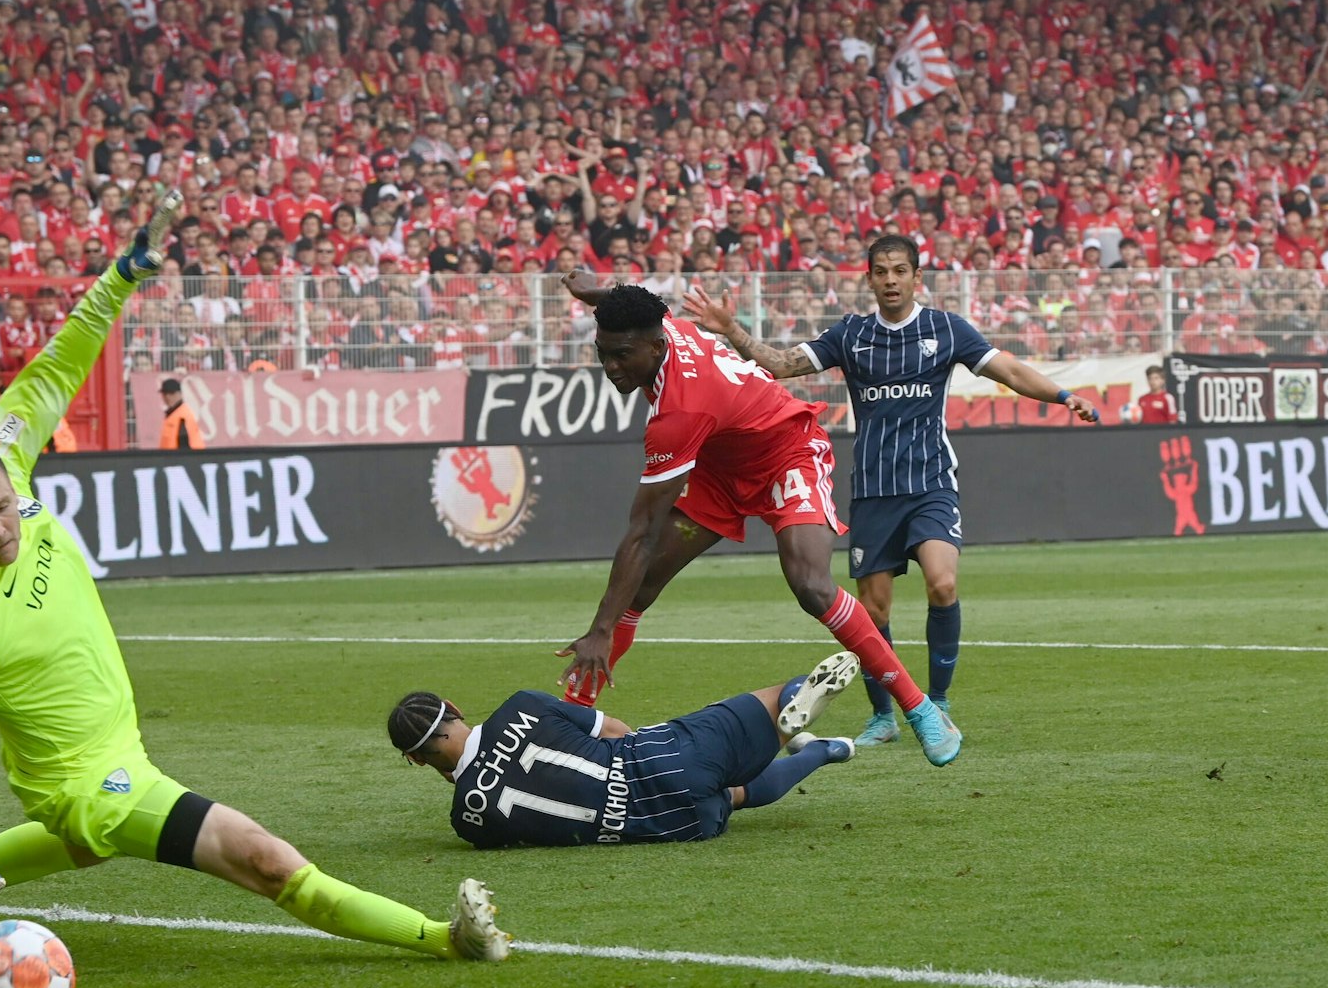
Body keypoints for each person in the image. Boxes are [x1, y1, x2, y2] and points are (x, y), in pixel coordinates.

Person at [0, 194, 508, 965]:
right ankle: (447, 939)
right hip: (95, 784)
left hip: (96, 768)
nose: (2, 528)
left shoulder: (5, 452)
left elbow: (60, 363)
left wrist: (121, 278)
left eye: (6, 507)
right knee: (268, 861)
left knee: (82, 846)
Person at [682, 234, 1099, 746]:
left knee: (943, 584)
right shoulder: (851, 335)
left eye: (900, 271)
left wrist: (1062, 395)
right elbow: (781, 364)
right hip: (875, 491)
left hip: (931, 483)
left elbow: (1008, 369)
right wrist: (732, 332)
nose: (891, 280)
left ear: (916, 277)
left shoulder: (945, 328)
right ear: (870, 279)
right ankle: (883, 717)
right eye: (881, 272)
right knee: (873, 612)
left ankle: (938, 702)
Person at [553, 268, 961, 766]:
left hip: (786, 451)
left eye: (622, 356)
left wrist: (599, 629)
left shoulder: (679, 414)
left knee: (811, 585)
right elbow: (640, 302)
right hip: (721, 469)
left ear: (657, 347)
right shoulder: (659, 324)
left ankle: (919, 709)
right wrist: (596, 292)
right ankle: (568, 719)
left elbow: (642, 532)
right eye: (604, 354)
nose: (612, 367)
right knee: (639, 590)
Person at [392, 652, 862, 848]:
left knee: (735, 795)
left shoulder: (468, 819)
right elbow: (613, 729)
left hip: (668, 825)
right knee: (781, 696)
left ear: (415, 758)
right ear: (452, 707)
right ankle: (795, 723)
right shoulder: (522, 705)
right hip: (662, 758)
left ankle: (825, 751)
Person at [158, 377, 206, 449]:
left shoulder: (182, 416)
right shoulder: (175, 414)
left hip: (180, 458)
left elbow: (184, 446)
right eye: (165, 394)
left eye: (171, 393)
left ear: (179, 394)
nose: (167, 397)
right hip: (172, 458)